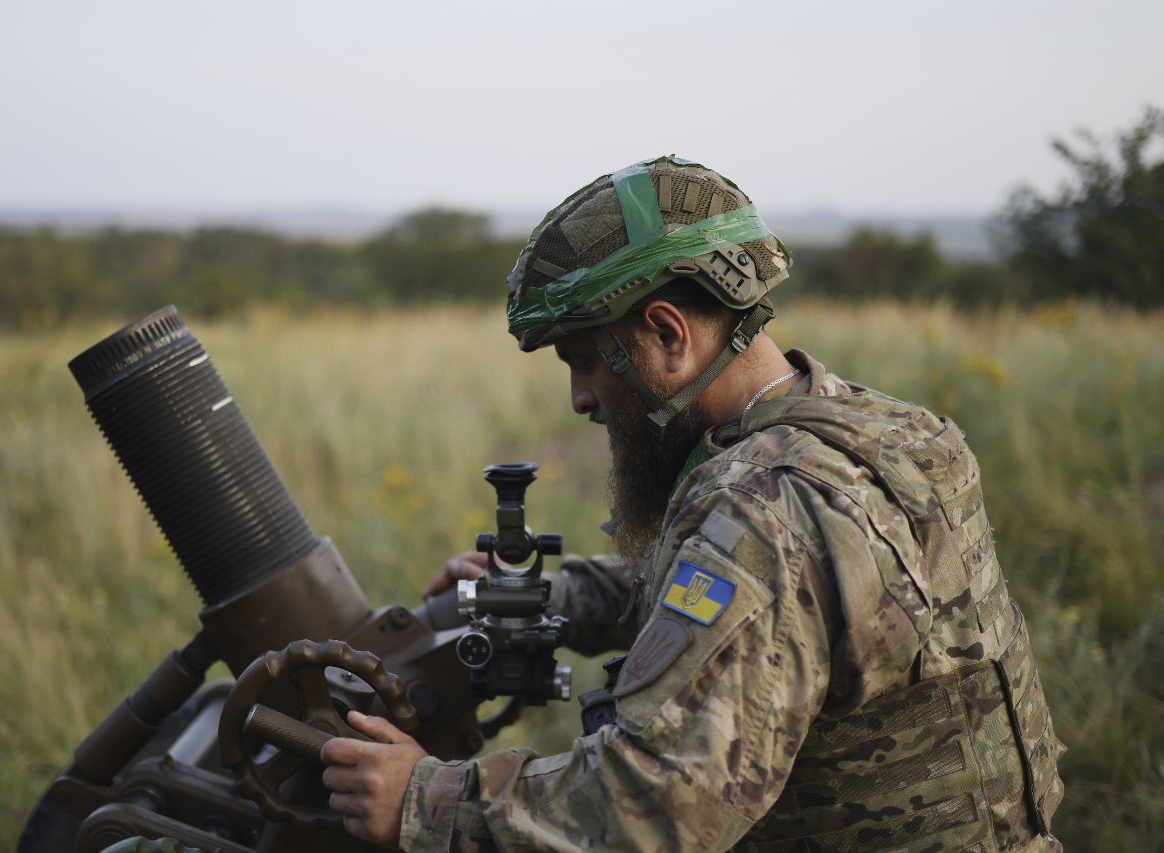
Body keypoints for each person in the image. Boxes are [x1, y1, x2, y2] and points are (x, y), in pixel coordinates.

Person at [320, 156, 1065, 852]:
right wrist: (556, 595)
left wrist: (425, 799)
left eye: (584, 362)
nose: (581, 398)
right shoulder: (895, 433)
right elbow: (761, 601)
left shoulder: (762, 511)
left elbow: (651, 805)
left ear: (669, 336)